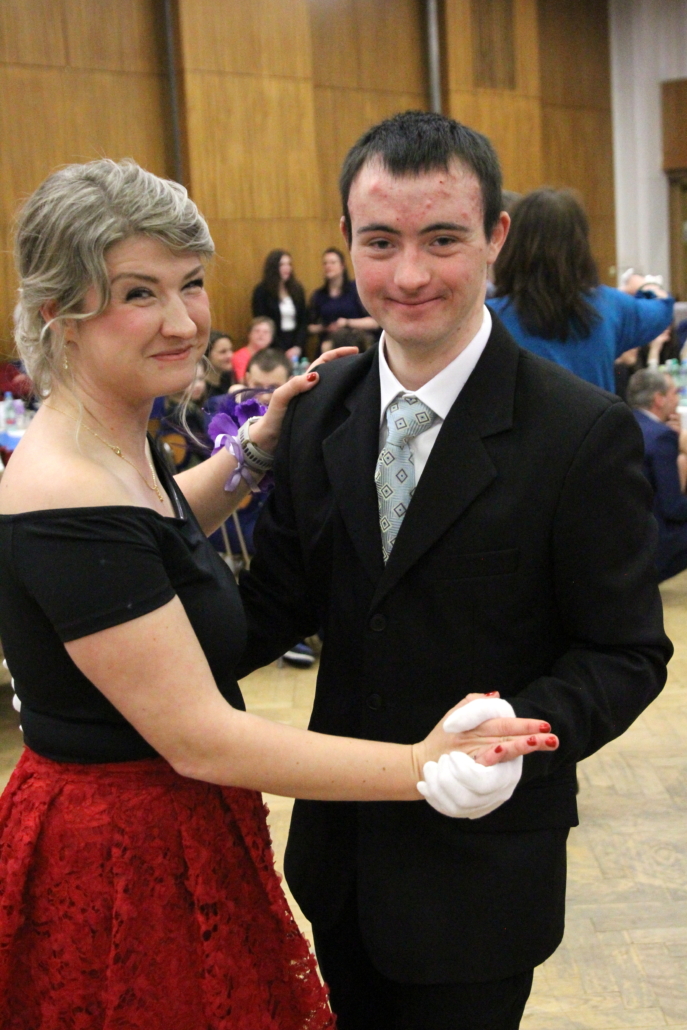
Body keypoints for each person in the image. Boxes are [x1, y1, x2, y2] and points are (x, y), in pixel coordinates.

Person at [0, 157, 553, 1029]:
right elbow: (201, 737)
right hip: (124, 864)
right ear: (56, 315)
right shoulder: (66, 488)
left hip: (177, 831)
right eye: (138, 293)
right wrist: (421, 767)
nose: (182, 320)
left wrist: (253, 453)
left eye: (190, 284)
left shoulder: (110, 435)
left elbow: (153, 530)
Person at [237, 111, 672, 1030]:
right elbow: (269, 603)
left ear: (494, 237)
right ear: (346, 238)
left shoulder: (579, 434)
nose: (409, 276)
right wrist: (116, 630)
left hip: (482, 877)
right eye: (379, 242)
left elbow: (625, 651)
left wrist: (522, 734)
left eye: (441, 239)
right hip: (339, 860)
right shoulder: (322, 410)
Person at [488, 188, 674, 392]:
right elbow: (663, 307)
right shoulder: (610, 307)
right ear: (581, 245)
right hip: (595, 414)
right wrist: (642, 284)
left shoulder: (488, 318)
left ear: (512, 245)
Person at [628, 367, 687, 581]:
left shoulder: (625, 425)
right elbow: (675, 508)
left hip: (629, 539)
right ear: (659, 399)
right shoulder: (662, 438)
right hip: (661, 545)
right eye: (674, 392)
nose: (677, 398)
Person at [308, 247, 378, 353]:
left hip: (356, 344)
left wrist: (347, 322)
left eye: (332, 262)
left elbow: (374, 322)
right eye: (325, 263)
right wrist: (324, 328)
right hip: (328, 346)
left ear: (342, 266)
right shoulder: (319, 295)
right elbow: (309, 327)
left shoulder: (355, 290)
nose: (328, 266)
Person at [252, 249, 308, 358]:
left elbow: (303, 320)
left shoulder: (297, 289)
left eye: (289, 264)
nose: (287, 268)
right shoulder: (262, 291)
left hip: (295, 343)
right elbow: (262, 321)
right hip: (273, 344)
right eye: (282, 264)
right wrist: (280, 349)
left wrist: (298, 346)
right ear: (273, 267)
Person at [231, 315, 276, 384]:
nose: (261, 334)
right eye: (257, 331)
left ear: (271, 337)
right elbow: (243, 381)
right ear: (249, 334)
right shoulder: (239, 356)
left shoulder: (274, 356)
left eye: (266, 332)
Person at [204, 328, 234, 397]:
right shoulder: (200, 387)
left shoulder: (228, 376)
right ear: (207, 355)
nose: (230, 355)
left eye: (231, 350)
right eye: (223, 352)